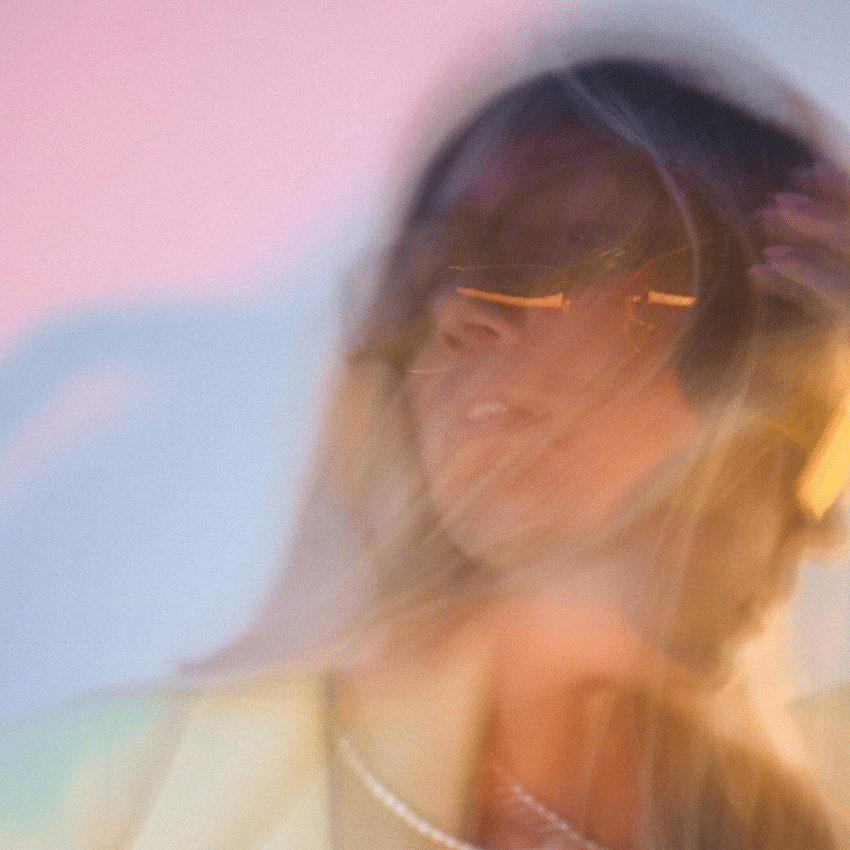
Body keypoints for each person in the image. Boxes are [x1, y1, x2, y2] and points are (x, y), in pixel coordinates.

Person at [4, 53, 850, 850]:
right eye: (433, 265)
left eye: (562, 241)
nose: (459, 309)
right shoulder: (102, 800)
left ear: (773, 345)